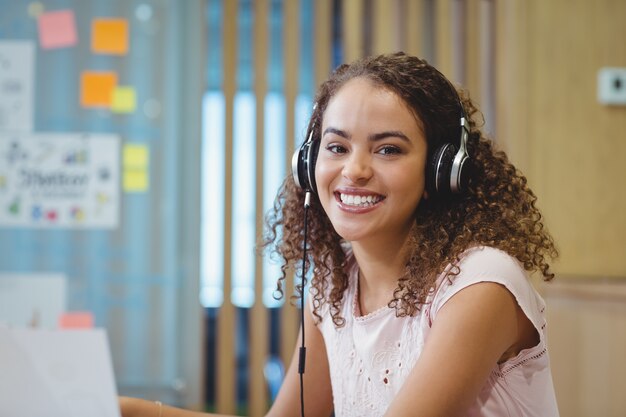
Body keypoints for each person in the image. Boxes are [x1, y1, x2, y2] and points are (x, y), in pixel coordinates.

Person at [120, 52, 560, 417]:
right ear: (309, 165)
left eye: (388, 149)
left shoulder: (480, 283)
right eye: (337, 147)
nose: (355, 170)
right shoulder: (333, 286)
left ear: (439, 173)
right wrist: (128, 409)